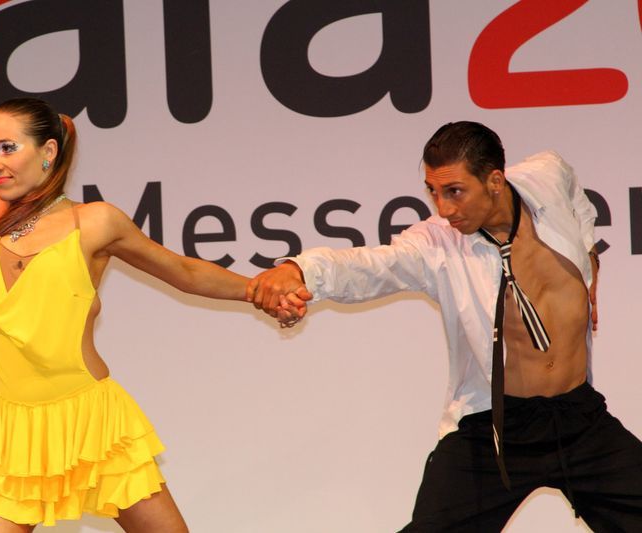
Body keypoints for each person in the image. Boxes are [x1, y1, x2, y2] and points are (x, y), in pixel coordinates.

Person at [0, 2, 249, 531]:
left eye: (7, 147)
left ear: (48, 152)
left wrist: (258, 290)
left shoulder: (94, 222)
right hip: (9, 429)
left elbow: (185, 272)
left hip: (91, 420)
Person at [247, 121, 642, 531]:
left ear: (494, 181)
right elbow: (371, 266)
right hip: (494, 429)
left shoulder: (546, 177)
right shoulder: (437, 242)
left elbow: (574, 193)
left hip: (579, 418)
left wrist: (590, 256)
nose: (444, 209)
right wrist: (301, 270)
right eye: (433, 191)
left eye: (454, 191)